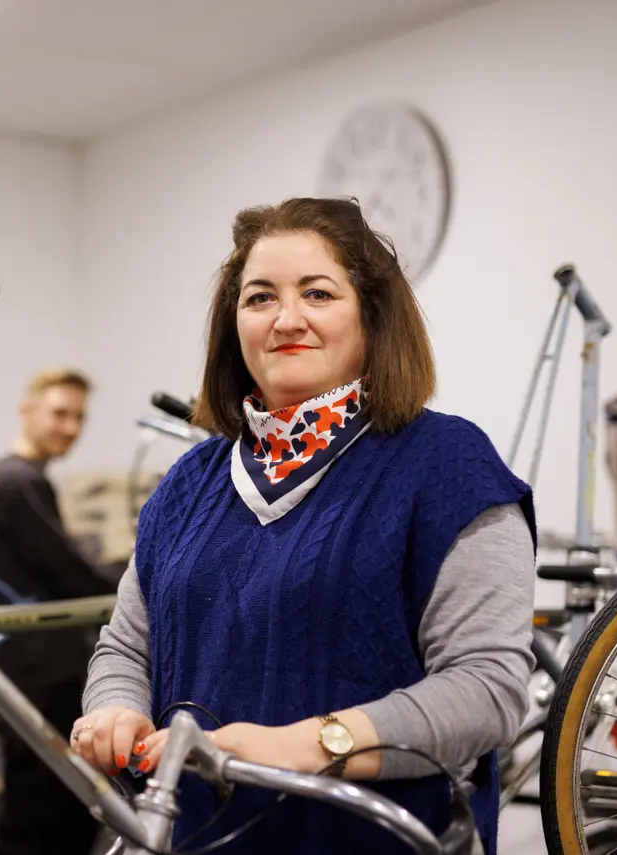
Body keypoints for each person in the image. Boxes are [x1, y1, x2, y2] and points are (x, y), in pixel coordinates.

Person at [72, 197, 536, 855]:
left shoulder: (450, 467)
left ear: (372, 316)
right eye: (260, 298)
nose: (288, 319)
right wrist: (115, 710)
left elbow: (486, 689)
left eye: (317, 293)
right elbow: (126, 647)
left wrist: (305, 744)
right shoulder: (186, 485)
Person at [0, 367, 115, 855]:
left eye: (78, 418)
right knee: (45, 823)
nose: (70, 428)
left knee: (45, 816)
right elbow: (70, 573)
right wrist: (137, 587)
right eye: (59, 413)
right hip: (39, 678)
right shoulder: (18, 482)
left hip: (32, 674)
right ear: (27, 410)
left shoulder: (18, 480)